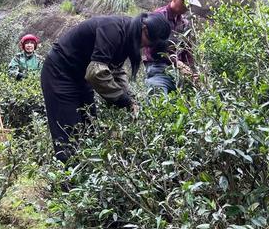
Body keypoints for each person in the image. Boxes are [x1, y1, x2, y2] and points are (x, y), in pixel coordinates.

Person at [41, 13, 172, 162]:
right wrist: (124, 101)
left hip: (81, 77)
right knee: (68, 135)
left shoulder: (129, 35)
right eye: (148, 42)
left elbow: (116, 70)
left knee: (89, 128)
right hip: (60, 73)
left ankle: (86, 178)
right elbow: (96, 72)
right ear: (144, 28)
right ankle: (67, 182)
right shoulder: (113, 29)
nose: (146, 47)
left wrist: (131, 99)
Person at [144, 0, 200, 95]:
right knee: (158, 101)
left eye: (189, 3)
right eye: (184, 2)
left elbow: (187, 50)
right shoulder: (158, 17)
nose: (187, 6)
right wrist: (178, 63)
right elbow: (155, 50)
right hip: (158, 68)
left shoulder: (184, 23)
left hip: (178, 72)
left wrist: (191, 71)